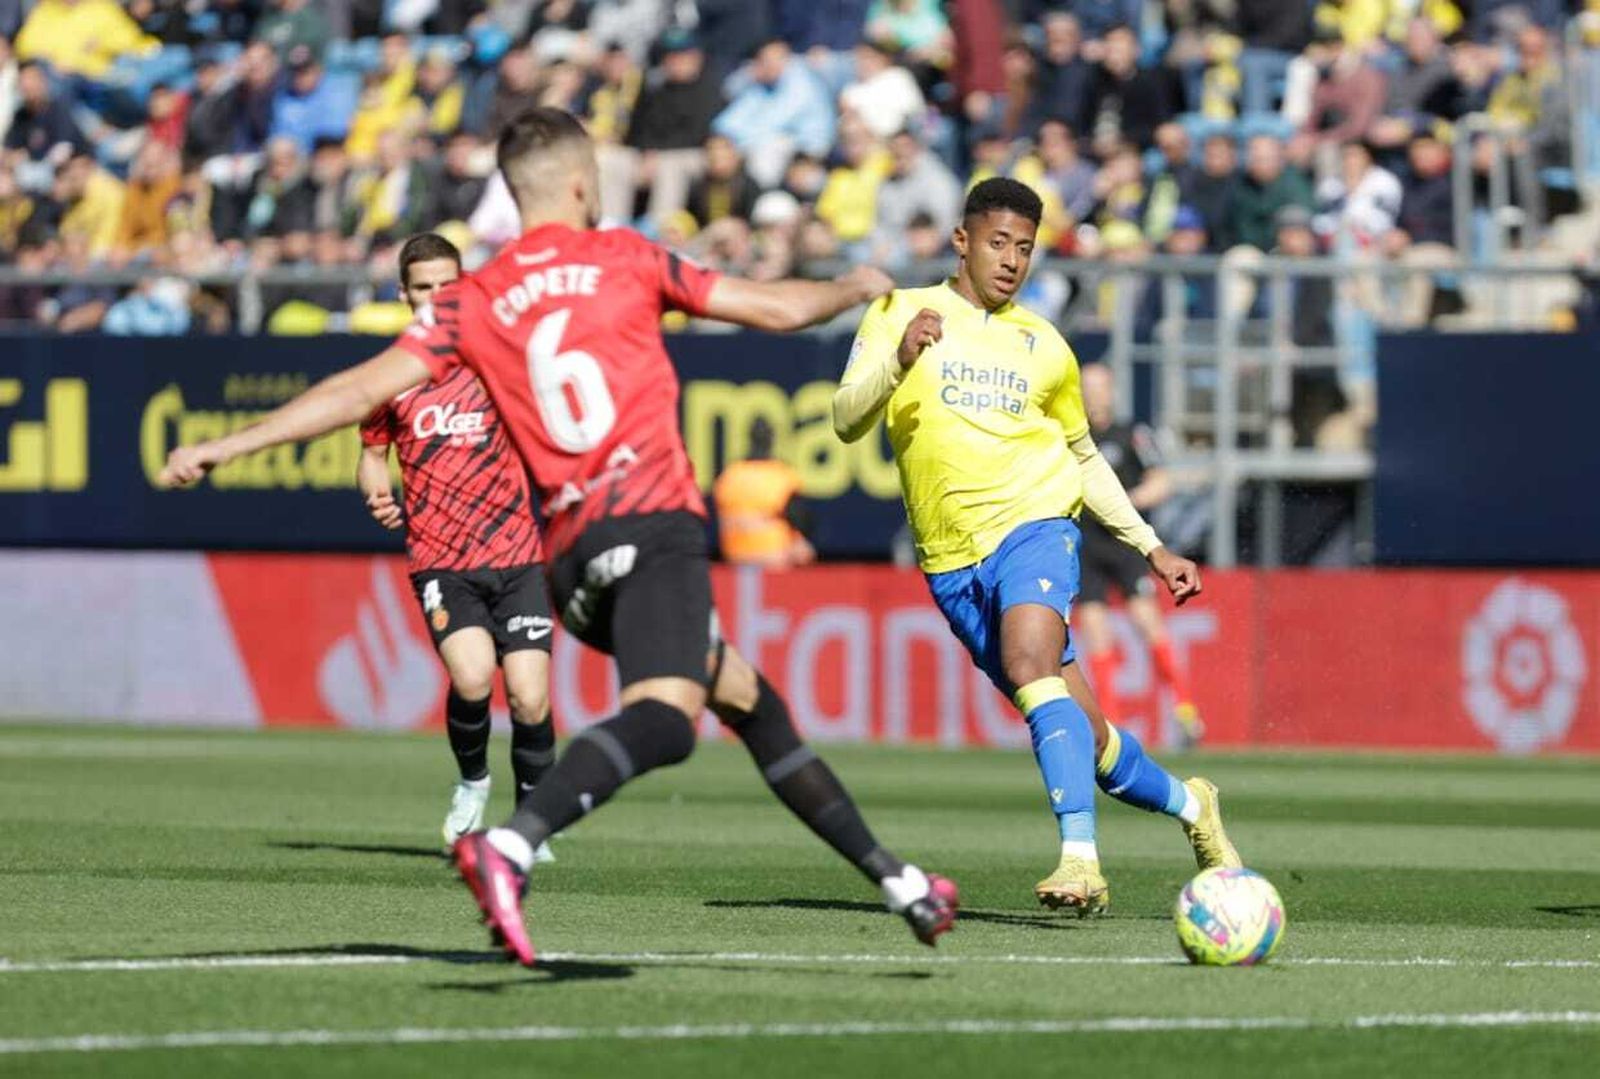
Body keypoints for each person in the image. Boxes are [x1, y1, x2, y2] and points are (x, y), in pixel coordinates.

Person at [160, 106, 957, 966]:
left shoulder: (474, 298)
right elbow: (768, 306)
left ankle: (899, 879)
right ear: (582, 183)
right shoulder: (626, 257)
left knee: (747, 698)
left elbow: (359, 389)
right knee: (670, 716)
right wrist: (855, 285)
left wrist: (228, 443)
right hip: (653, 523)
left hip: (571, 559)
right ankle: (511, 842)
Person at [833, 177, 1240, 915]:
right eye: (998, 242)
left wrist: (1151, 546)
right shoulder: (898, 312)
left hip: (1038, 525)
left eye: (1024, 247)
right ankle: (1192, 804)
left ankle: (1080, 860)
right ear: (962, 240)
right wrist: (897, 358)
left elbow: (1083, 457)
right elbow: (844, 418)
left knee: (1028, 662)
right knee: (1087, 736)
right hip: (951, 561)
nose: (1012, 260)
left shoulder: (1045, 345)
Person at [356, 233, 557, 852]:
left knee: (529, 696)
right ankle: (473, 781)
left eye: (449, 285)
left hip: (518, 554)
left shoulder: (499, 358)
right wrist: (376, 489)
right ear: (403, 294)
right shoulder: (393, 373)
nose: (438, 297)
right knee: (472, 681)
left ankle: (531, 824)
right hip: (443, 557)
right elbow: (370, 453)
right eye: (424, 288)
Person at [1073, 364, 1203, 746]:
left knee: (1148, 624)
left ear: (1112, 391)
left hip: (1126, 543)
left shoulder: (1132, 434)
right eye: (1087, 387)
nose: (1093, 394)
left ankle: (1185, 711)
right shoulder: (1072, 437)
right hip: (1087, 545)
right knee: (1096, 633)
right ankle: (1112, 725)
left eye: (1100, 387)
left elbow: (1161, 482)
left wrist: (1120, 506)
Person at [713, 417, 815, 567]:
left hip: (733, 553)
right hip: (772, 554)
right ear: (771, 441)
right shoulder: (782, 475)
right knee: (804, 550)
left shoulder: (730, 474)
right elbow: (800, 520)